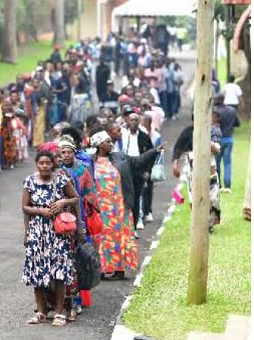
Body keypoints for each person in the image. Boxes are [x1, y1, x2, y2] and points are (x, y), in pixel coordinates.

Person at [22, 147, 82, 327]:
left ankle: (59, 312)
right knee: (37, 271)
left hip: (58, 232)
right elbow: (25, 207)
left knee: (59, 272)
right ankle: (40, 312)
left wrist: (64, 201)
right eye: (41, 163)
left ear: (53, 164)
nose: (45, 166)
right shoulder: (30, 181)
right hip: (37, 231)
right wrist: (39, 213)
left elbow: (76, 198)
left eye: (48, 163)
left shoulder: (62, 180)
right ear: (37, 164)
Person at [90, 130, 161, 279]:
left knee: (119, 237)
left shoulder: (120, 157)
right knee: (102, 238)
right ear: (99, 145)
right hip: (99, 209)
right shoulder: (89, 161)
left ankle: (119, 270)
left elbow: (138, 161)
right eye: (108, 141)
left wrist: (154, 152)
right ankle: (102, 269)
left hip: (119, 207)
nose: (111, 143)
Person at [59, 136, 99, 308]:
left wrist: (91, 212)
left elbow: (90, 193)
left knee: (78, 259)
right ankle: (61, 298)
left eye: (69, 152)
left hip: (79, 215)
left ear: (74, 153)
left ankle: (77, 299)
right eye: (63, 152)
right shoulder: (56, 170)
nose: (66, 155)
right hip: (60, 218)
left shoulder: (83, 170)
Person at [122, 113, 154, 230]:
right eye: (131, 120)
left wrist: (147, 170)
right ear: (127, 122)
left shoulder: (144, 136)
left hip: (139, 169)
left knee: (137, 196)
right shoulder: (123, 136)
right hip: (125, 168)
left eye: (136, 120)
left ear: (139, 122)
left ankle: (136, 221)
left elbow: (150, 154)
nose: (134, 122)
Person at [213, 94, 240, 192]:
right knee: (227, 163)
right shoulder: (232, 110)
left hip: (218, 140)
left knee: (217, 163)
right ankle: (227, 185)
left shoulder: (215, 111)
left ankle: (218, 185)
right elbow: (237, 123)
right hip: (229, 139)